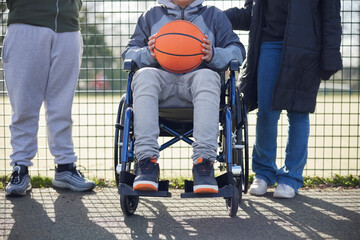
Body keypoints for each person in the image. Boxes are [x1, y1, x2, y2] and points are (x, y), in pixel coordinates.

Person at [122, 0, 245, 193]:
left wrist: (214, 54)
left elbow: (237, 51)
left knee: (207, 76)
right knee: (143, 75)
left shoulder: (214, 16)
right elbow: (129, 54)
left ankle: (204, 164)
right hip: (161, 85)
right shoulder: (150, 16)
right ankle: (146, 163)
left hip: (199, 83)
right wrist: (149, 52)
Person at [224, 0, 343, 198]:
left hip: (306, 48)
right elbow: (251, 13)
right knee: (266, 113)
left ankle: (291, 177)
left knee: (298, 113)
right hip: (268, 45)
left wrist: (330, 56)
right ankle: (264, 173)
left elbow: (331, 17)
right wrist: (216, 16)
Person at [2, 0, 95, 197]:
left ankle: (65, 167)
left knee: (62, 106)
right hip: (26, 23)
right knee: (24, 106)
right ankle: (20, 168)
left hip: (68, 26)